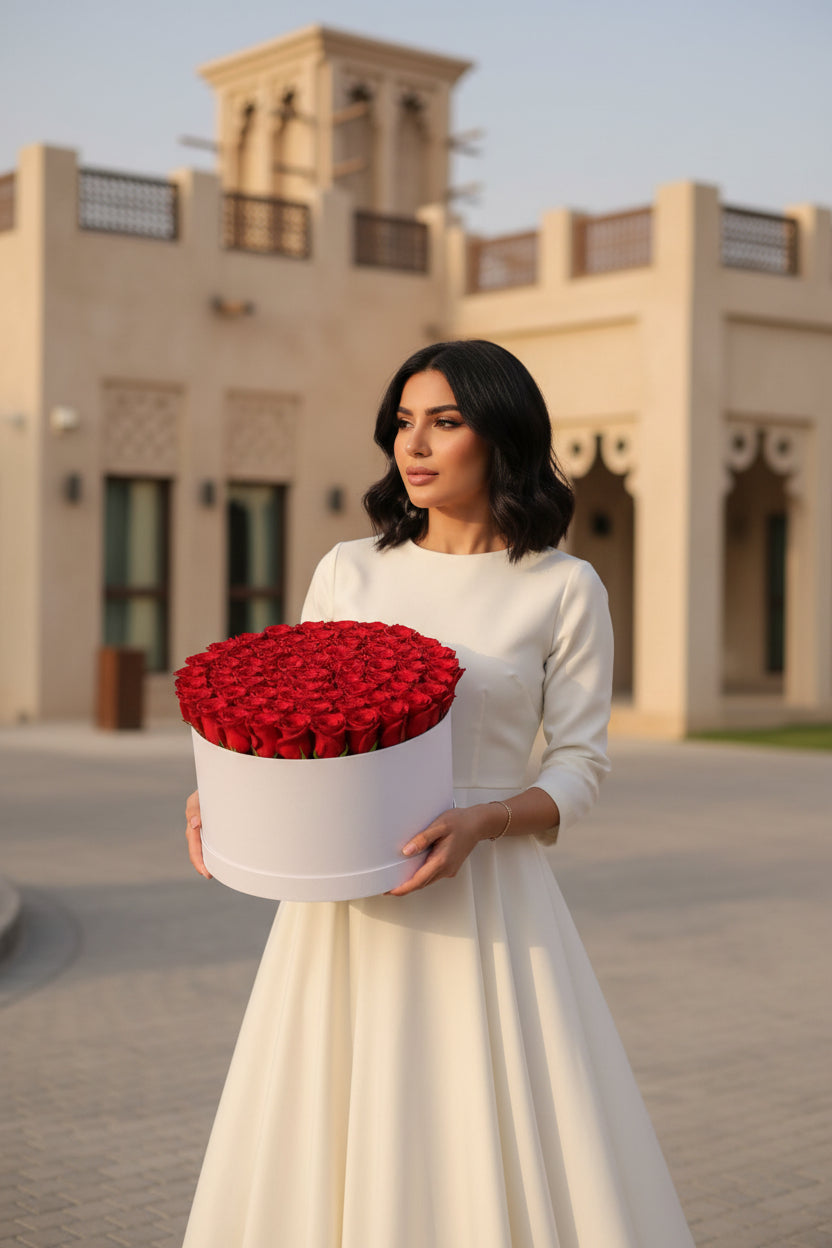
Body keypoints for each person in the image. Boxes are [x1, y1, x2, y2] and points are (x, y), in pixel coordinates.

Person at [182, 339, 695, 1247]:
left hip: (488, 895)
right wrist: (227, 793)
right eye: (403, 423)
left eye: (445, 422)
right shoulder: (348, 570)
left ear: (501, 436)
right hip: (346, 901)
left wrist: (487, 820)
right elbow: (301, 727)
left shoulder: (564, 588)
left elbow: (580, 765)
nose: (414, 445)